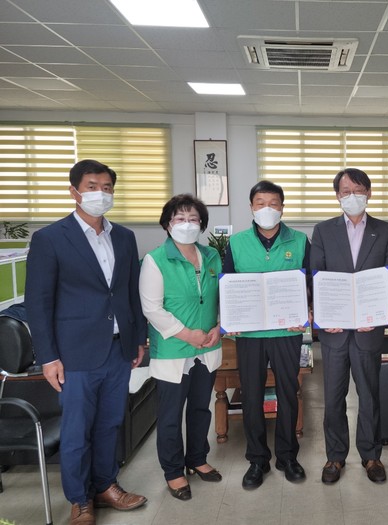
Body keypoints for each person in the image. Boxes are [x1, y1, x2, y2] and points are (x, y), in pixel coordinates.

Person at [25, 160, 147, 525]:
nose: (101, 193)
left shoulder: (123, 236)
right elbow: (38, 302)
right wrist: (48, 356)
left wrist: (138, 339)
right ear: (74, 191)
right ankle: (79, 500)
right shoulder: (50, 238)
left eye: (107, 187)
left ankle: (106, 485)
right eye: (92, 186)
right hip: (74, 353)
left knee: (109, 423)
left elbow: (130, 292)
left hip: (118, 349)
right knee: (77, 430)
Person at [310, 168, 388, 485]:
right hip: (334, 333)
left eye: (359, 190)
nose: (353, 196)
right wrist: (325, 316)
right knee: (333, 398)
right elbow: (317, 275)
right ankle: (335, 456)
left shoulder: (386, 232)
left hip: (368, 331)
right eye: (346, 191)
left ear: (369, 193)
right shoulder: (323, 231)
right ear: (337, 195)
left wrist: (378, 315)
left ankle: (371, 455)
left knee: (369, 396)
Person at [222, 180, 310, 489]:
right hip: (250, 334)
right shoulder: (237, 243)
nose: (267, 209)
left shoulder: (300, 240)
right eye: (260, 203)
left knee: (288, 393)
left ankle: (287, 456)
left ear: (282, 208)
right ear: (251, 207)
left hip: (287, 331)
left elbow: (309, 284)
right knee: (251, 396)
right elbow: (228, 285)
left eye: (273, 203)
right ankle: (257, 459)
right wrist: (230, 318)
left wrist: (307, 311)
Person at [139, 194, 223, 501]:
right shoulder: (155, 260)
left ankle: (197, 459)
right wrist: (187, 335)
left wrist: (218, 327)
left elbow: (222, 296)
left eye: (193, 219)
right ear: (167, 224)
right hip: (173, 350)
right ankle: (173, 471)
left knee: (201, 408)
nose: (187, 224)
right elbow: (152, 308)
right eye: (180, 218)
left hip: (207, 348)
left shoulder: (211, 256)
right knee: (171, 415)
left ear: (201, 224)